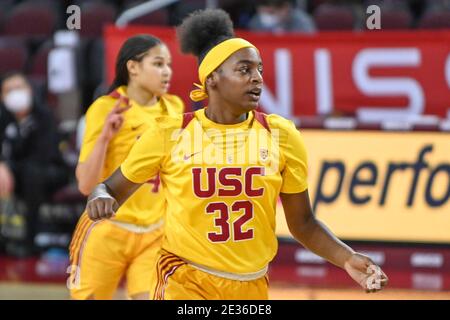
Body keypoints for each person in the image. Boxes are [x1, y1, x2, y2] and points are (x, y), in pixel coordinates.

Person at [85, 9, 387, 300]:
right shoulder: (169, 132)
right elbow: (110, 187)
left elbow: (303, 223)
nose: (257, 78)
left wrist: (346, 258)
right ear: (212, 79)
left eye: (259, 70)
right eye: (244, 70)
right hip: (185, 276)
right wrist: (101, 196)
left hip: (251, 282)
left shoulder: (281, 134)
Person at [68, 35, 184, 300]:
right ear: (133, 67)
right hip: (106, 228)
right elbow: (86, 185)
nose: (167, 72)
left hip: (155, 231)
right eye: (158, 64)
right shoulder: (106, 108)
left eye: (169, 64)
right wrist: (105, 138)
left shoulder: (175, 108)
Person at [0, 72, 68, 257]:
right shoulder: (4, 119)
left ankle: (30, 240)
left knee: (32, 173)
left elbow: (42, 156)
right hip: (18, 173)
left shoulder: (44, 116)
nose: (15, 93)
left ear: (30, 90)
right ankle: (5, 237)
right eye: (9, 90)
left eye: (19, 88)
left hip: (50, 171)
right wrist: (3, 165)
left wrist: (10, 168)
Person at [248, 0, 316, 34]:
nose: (273, 9)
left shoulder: (302, 20)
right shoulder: (257, 20)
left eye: (279, 6)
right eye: (266, 4)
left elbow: (309, 43)